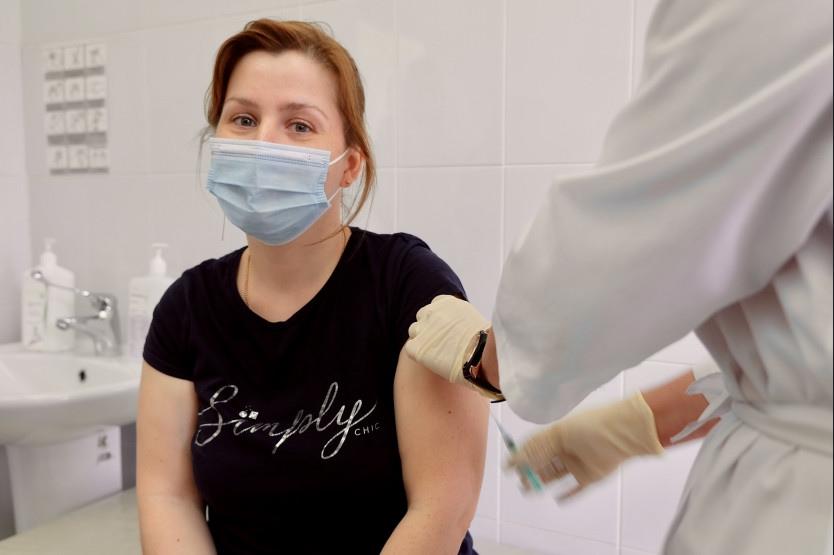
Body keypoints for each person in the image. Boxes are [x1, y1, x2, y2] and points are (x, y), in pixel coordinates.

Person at [405, 0, 833, 553]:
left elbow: (629, 244)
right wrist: (633, 426)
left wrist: (486, 357)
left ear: (354, 161)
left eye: (304, 125)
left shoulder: (400, 271)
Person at [136, 19, 488, 555]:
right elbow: (167, 496)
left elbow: (442, 506)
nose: (263, 143)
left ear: (350, 166)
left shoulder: (406, 285)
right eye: (243, 119)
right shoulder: (186, 307)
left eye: (299, 126)